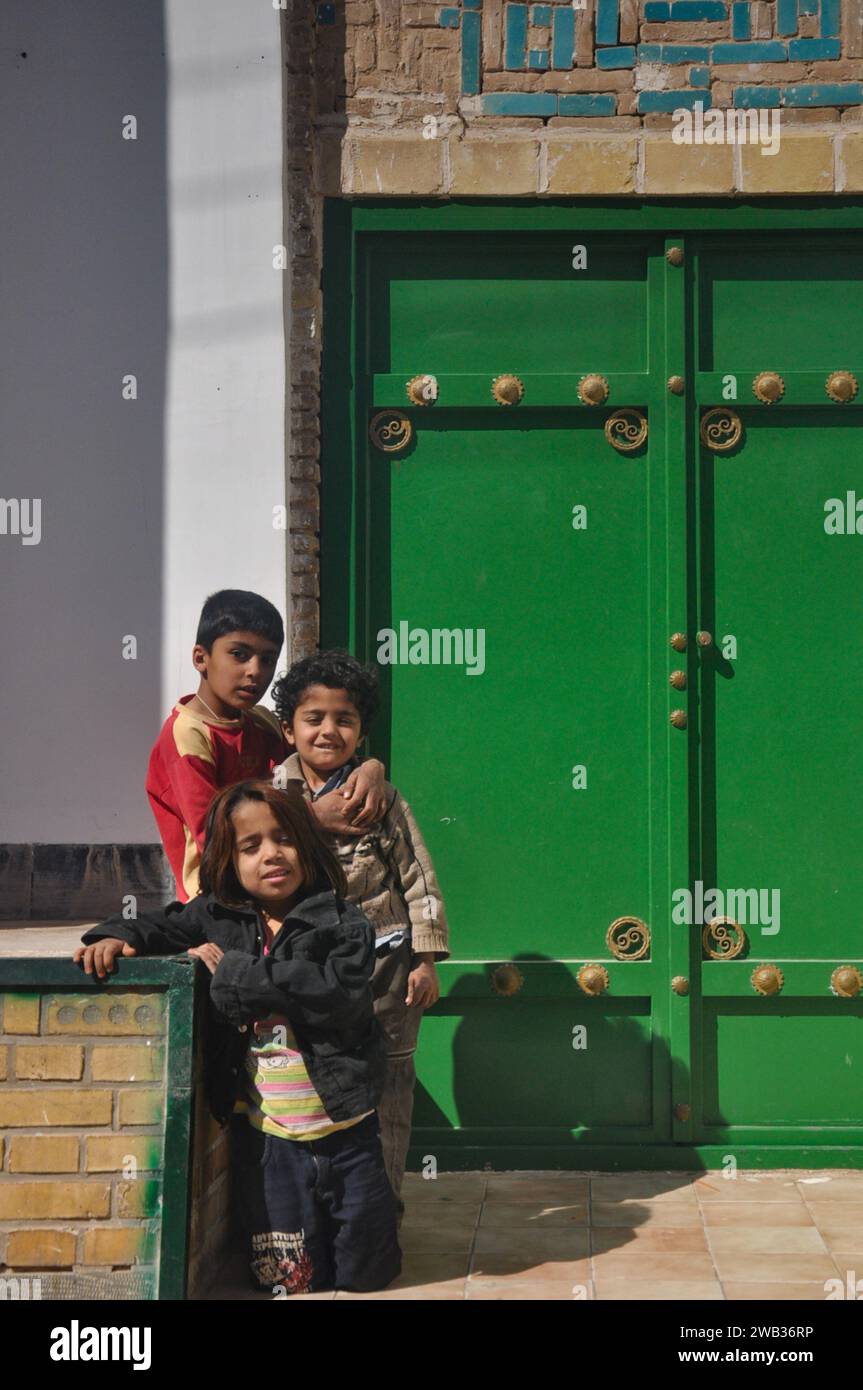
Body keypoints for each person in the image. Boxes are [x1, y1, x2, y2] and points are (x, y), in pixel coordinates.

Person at [74, 780, 401, 1296]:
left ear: (308, 848)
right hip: (271, 1141)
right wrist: (115, 936)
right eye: (251, 846)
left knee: (369, 1274)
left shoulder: (342, 920)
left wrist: (235, 972)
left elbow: (333, 993)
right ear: (229, 860)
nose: (272, 854)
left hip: (347, 1132)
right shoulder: (217, 917)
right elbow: (160, 923)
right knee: (290, 1279)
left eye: (284, 839)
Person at [271, 649, 450, 1221]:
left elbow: (418, 881)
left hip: (387, 969)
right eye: (313, 718)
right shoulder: (269, 798)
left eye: (344, 719)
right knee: (310, 1078)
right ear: (288, 728)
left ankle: (381, 1207)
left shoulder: (384, 799)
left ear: (362, 731)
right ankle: (318, 1210)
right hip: (306, 973)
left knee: (390, 1081)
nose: (328, 731)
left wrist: (426, 962)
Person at [145, 588, 387, 901]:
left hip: (280, 892)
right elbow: (216, 835)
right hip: (219, 900)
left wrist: (370, 767)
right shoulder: (187, 737)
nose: (255, 671)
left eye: (268, 659)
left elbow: (321, 763)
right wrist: (312, 817)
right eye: (239, 655)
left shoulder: (263, 722)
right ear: (200, 658)